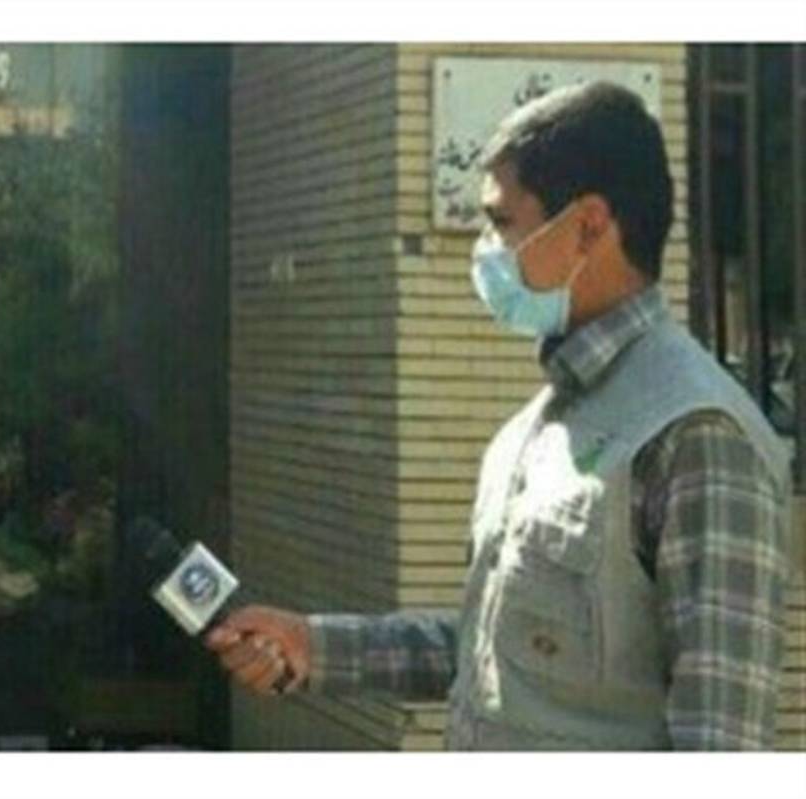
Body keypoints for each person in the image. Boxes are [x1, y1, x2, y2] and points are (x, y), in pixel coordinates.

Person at [206, 81, 796, 750]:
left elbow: (721, 739)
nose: (485, 249)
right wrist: (313, 645)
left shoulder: (697, 434)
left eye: (501, 223)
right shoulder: (536, 429)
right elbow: (494, 651)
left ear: (588, 225)